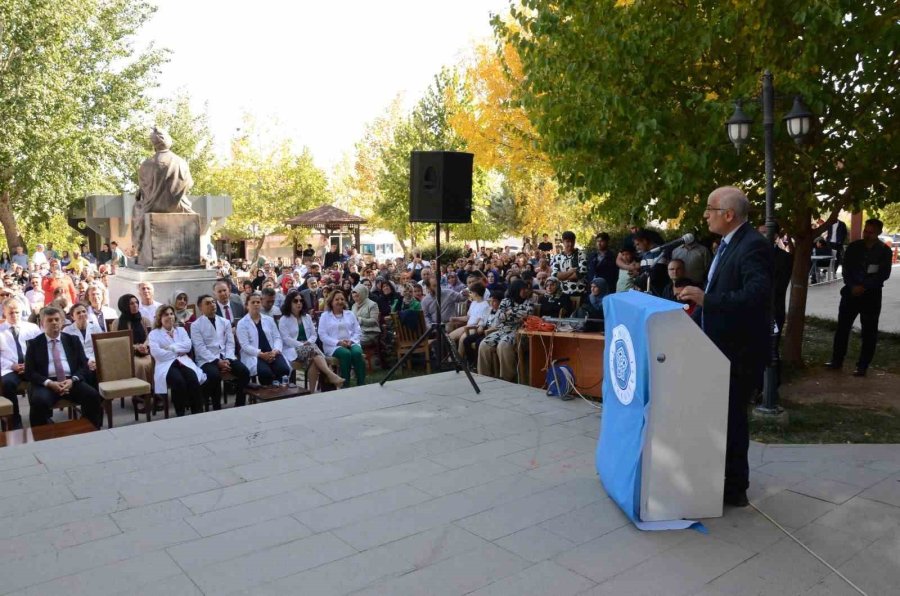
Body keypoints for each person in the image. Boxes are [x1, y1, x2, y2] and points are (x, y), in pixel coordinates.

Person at [680, 186, 773, 508]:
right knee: (721, 417)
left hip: (739, 351)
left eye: (710, 209)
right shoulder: (728, 244)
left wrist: (709, 299)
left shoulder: (753, 246)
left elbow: (757, 295)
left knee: (733, 418)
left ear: (729, 214)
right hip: (718, 347)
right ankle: (719, 478)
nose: (705, 215)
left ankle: (735, 489)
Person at [826, 218, 893, 377]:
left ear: (878, 233)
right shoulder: (854, 247)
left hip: (871, 296)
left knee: (869, 332)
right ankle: (837, 360)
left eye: (871, 232)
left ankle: (862, 365)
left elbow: (883, 274)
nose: (867, 234)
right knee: (842, 328)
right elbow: (846, 269)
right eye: (866, 231)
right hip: (850, 294)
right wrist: (852, 286)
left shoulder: (884, 251)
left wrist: (864, 286)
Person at [25, 306, 103, 428]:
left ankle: (89, 428)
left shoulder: (72, 340)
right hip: (47, 383)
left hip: (71, 381)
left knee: (92, 395)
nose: (54, 323)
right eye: (50, 320)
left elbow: (83, 365)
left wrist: (73, 380)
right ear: (42, 323)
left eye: (57, 319)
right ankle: (44, 434)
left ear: (62, 322)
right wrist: (49, 383)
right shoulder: (34, 344)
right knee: (38, 402)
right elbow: (29, 372)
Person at [190, 294, 250, 409]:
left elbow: (230, 343)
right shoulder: (196, 325)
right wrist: (217, 361)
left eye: (213, 302)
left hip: (226, 356)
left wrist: (227, 359)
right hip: (207, 359)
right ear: (200, 308)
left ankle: (240, 403)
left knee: (244, 372)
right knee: (214, 375)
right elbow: (200, 347)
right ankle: (216, 406)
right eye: (207, 303)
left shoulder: (225, 322)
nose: (212, 305)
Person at [278, 290, 345, 391]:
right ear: (289, 303)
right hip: (292, 349)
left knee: (314, 360)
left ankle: (311, 392)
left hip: (309, 348)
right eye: (295, 301)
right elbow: (286, 339)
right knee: (313, 350)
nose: (299, 303)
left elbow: (314, 335)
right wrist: (301, 344)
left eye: (301, 301)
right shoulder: (284, 319)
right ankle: (330, 374)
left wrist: (308, 342)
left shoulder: (307, 317)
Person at [148, 305, 206, 416]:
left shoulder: (180, 330)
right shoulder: (154, 334)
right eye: (166, 315)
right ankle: (180, 413)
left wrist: (171, 348)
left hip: (183, 361)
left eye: (171, 314)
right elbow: (157, 354)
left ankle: (198, 412)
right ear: (160, 318)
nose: (170, 317)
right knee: (178, 381)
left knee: (192, 378)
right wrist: (178, 351)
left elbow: (188, 346)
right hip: (166, 365)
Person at [477, 280, 533, 382]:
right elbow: (499, 317)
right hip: (503, 330)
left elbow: (526, 315)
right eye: (523, 289)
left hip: (519, 331)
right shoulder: (505, 301)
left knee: (503, 344)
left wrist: (508, 313)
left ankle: (507, 377)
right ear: (516, 289)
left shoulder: (528, 302)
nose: (526, 291)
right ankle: (484, 376)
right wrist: (514, 313)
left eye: (526, 289)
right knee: (484, 344)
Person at [0, 298, 42, 428]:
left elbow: (41, 349)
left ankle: (41, 417)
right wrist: (12, 365)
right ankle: (15, 419)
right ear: (4, 313)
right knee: (7, 383)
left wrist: (29, 364)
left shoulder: (32, 328)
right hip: (10, 368)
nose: (14, 315)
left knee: (42, 379)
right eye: (11, 313)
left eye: (17, 312)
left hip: (31, 366)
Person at [237, 293, 290, 385]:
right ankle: (268, 396)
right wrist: (261, 354)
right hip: (255, 355)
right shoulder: (242, 323)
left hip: (272, 352)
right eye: (253, 302)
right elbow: (245, 345)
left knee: (284, 369)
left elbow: (277, 337)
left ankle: (280, 393)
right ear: (247, 305)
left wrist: (275, 351)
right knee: (265, 373)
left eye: (258, 302)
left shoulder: (269, 320)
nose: (256, 304)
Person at [318, 290, 366, 386]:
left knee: (357, 353)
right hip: (333, 346)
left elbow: (357, 330)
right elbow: (322, 335)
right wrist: (338, 342)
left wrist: (351, 341)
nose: (340, 301)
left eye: (342, 299)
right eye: (337, 299)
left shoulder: (350, 314)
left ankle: (361, 383)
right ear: (331, 302)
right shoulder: (325, 316)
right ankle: (345, 383)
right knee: (346, 354)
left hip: (351, 342)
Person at [111, 293, 154, 390]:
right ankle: (141, 396)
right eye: (131, 303)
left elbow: (150, 337)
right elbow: (117, 343)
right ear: (124, 306)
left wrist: (145, 346)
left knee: (155, 362)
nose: (135, 305)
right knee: (141, 365)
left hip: (145, 351)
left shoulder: (144, 320)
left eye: (136, 303)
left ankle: (155, 394)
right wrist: (135, 348)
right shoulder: (117, 323)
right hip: (127, 355)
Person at [62, 302, 101, 386]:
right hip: (77, 362)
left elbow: (100, 347)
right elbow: (68, 351)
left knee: (96, 371)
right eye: (78, 313)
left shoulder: (96, 327)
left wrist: (93, 360)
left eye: (84, 311)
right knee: (86, 372)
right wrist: (85, 362)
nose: (82, 314)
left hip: (94, 359)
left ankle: (100, 397)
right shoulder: (67, 330)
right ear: (72, 317)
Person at [550, 231, 587, 298]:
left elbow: (581, 273)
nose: (570, 244)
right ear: (563, 242)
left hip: (579, 292)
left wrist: (562, 277)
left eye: (572, 241)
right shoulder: (557, 257)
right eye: (567, 241)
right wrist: (570, 272)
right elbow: (555, 275)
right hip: (562, 294)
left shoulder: (581, 254)